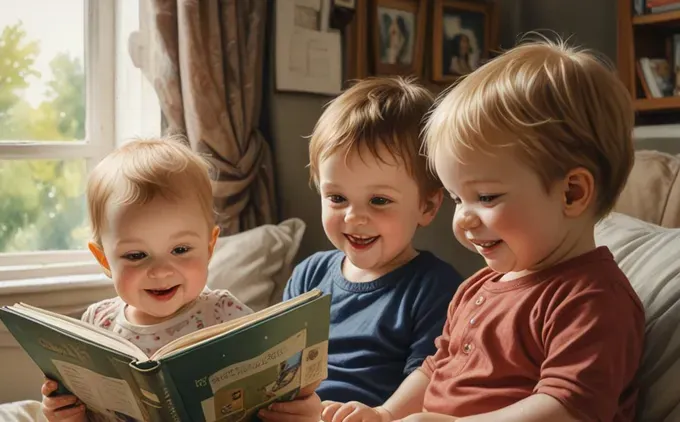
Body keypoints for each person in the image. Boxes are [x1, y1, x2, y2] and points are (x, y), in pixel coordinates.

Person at [322, 38, 645, 422]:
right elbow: (433, 369)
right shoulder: (478, 287)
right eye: (459, 199)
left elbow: (567, 409)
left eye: (487, 197)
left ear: (572, 192)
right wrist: (386, 413)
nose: (463, 219)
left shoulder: (591, 300)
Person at [39, 137, 322, 422]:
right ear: (104, 260)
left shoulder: (225, 313)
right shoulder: (97, 324)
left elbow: (272, 385)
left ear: (210, 247)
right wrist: (65, 414)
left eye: (180, 250)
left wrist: (302, 405)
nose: (161, 271)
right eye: (136, 255)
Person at [284, 77, 463, 409]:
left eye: (379, 200)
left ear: (427, 206)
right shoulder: (309, 276)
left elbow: (429, 378)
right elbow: (281, 364)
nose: (354, 217)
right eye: (337, 197)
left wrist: (382, 414)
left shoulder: (435, 287)